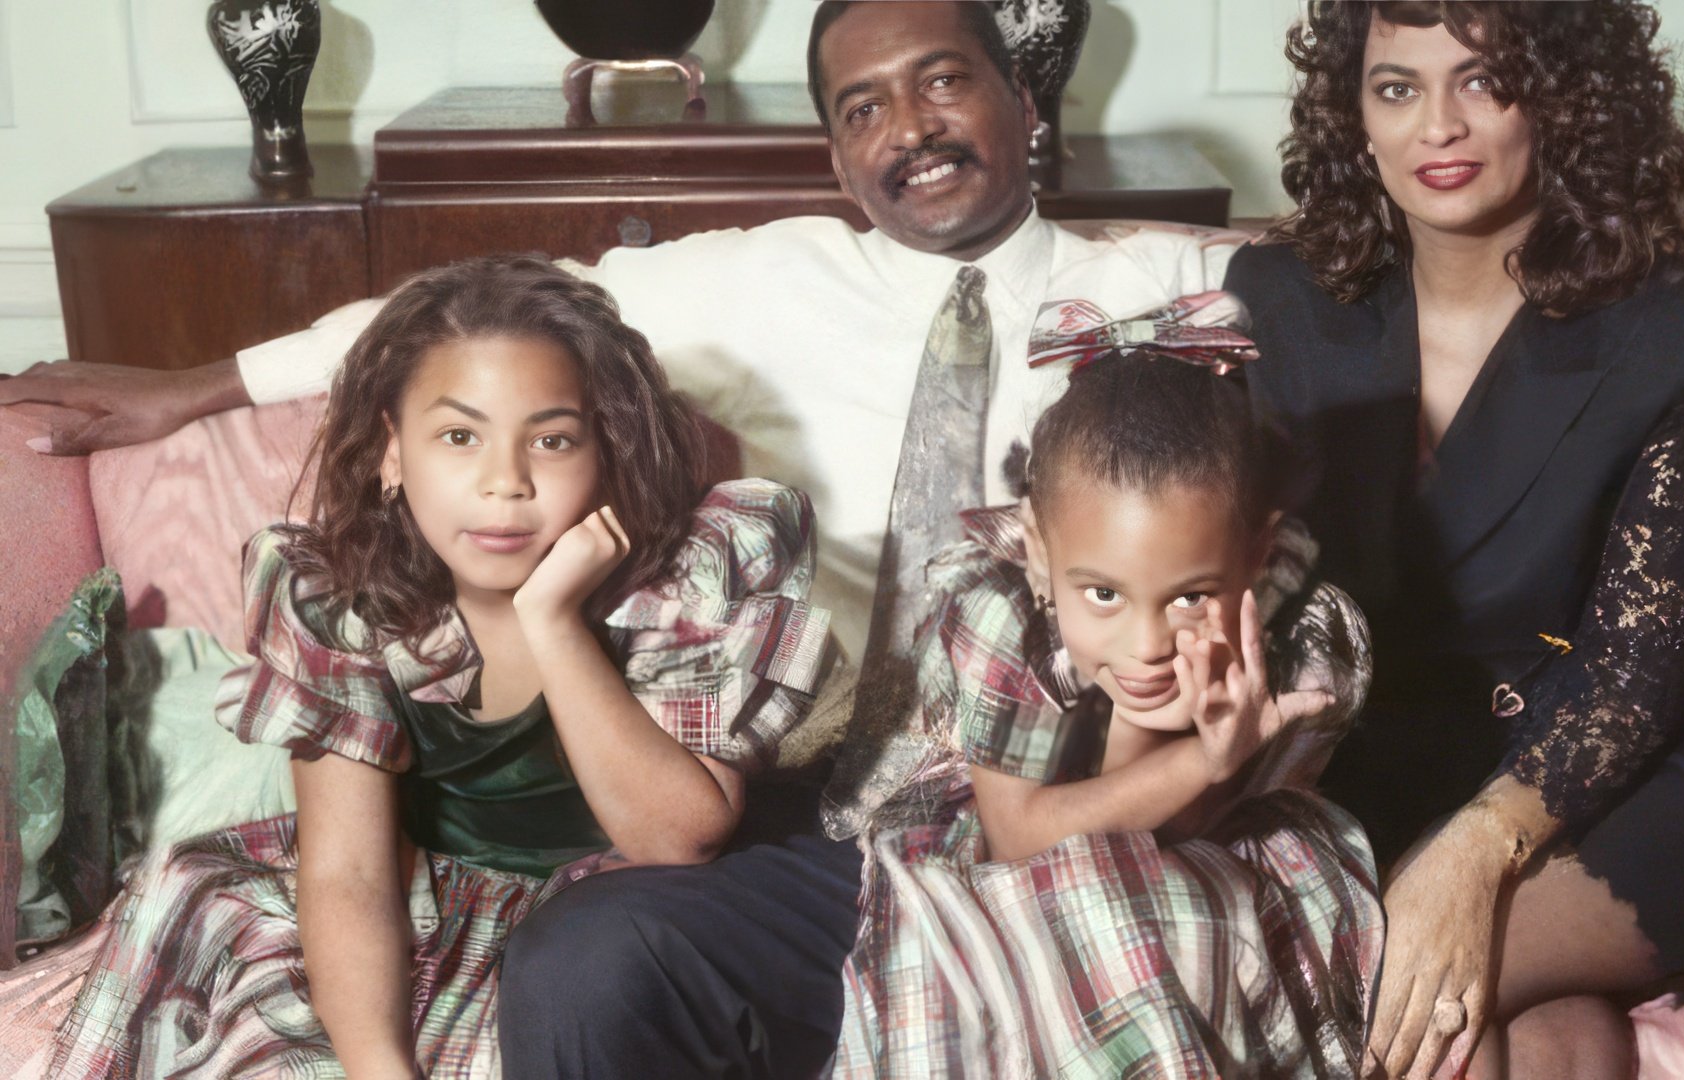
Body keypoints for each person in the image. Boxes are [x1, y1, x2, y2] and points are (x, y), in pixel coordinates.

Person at [2, 4, 1242, 1075]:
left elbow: (1382, 312)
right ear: (835, 147)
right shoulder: (774, 275)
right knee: (600, 965)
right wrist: (200, 384)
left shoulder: (1169, 284)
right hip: (807, 788)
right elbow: (478, 316)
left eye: (943, 80)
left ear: (1024, 98)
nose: (907, 126)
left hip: (1025, 765)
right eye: (863, 106)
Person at [44, 256, 832, 1078]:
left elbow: (679, 836)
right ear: (391, 454)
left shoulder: (698, 562)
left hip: (624, 919)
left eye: (552, 440)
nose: (504, 484)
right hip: (411, 909)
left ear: (606, 451)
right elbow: (348, 873)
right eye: (460, 437)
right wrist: (382, 1065)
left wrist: (555, 622)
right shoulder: (334, 594)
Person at [1223, 3, 1684, 1078]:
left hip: (1643, 770)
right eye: (1397, 87)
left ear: (1562, 101)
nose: (1437, 126)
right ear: (1354, 114)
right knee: (1533, 1030)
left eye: (1484, 81)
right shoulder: (1279, 302)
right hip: (1387, 767)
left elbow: (1643, 665)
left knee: (1386, 985)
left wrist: (1476, 853)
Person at [828, 304, 1383, 1078]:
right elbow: (1021, 837)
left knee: (1168, 918)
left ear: (1255, 552)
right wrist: (1199, 757)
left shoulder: (1286, 619)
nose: (1148, 642)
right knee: (1087, 904)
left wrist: (1196, 747)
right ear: (1038, 550)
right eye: (1102, 595)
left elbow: (1178, 827)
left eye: (1190, 595)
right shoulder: (999, 611)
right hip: (1004, 843)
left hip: (1201, 846)